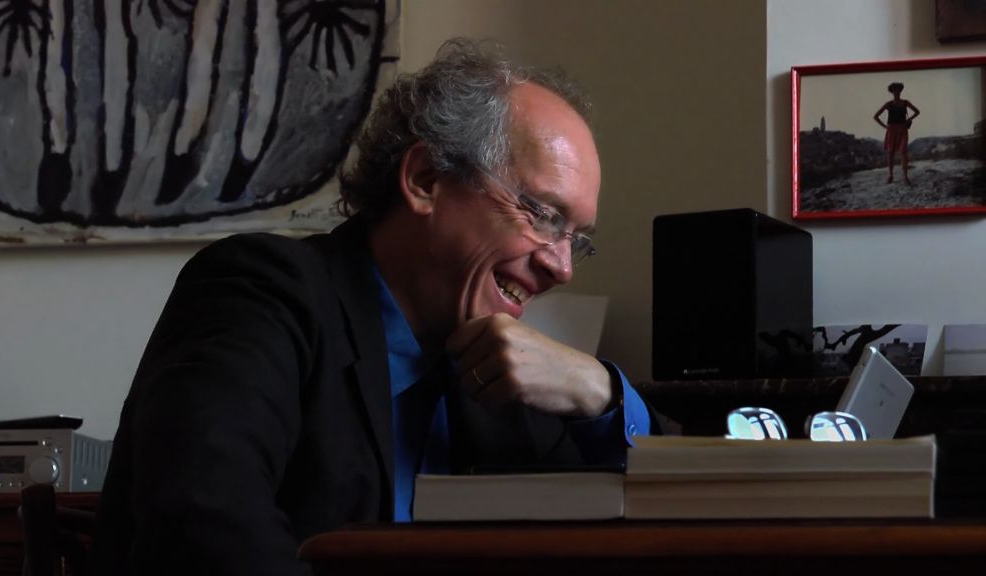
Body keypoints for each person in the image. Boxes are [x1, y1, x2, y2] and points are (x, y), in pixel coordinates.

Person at [89, 38, 651, 576]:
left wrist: (599, 392)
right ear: (425, 180)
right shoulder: (260, 290)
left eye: (577, 239)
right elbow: (203, 527)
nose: (561, 267)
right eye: (543, 215)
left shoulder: (498, 369)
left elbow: (641, 528)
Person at [874, 82, 920, 185]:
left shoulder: (905, 102)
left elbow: (917, 111)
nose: (897, 92)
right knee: (890, 153)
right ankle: (890, 175)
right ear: (892, 92)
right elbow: (876, 116)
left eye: (898, 90)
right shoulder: (888, 104)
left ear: (900, 91)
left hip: (903, 129)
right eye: (895, 90)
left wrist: (909, 119)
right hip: (892, 130)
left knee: (903, 152)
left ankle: (905, 176)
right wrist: (885, 127)